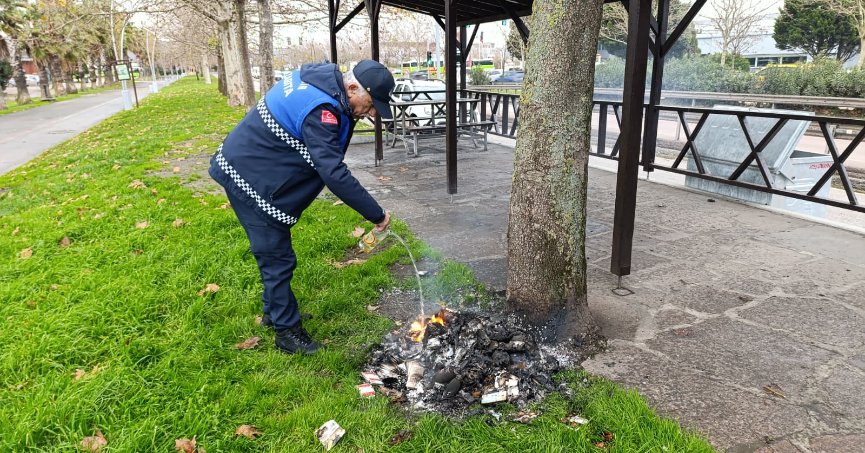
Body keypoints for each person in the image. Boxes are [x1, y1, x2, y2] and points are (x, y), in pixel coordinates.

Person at [209, 60, 395, 355]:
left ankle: (274, 313)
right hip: (248, 175)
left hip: (256, 166)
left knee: (277, 252)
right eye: (371, 105)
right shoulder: (321, 111)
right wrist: (377, 213)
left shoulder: (322, 81)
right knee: (276, 258)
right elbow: (333, 172)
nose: (371, 114)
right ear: (351, 88)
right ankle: (287, 332)